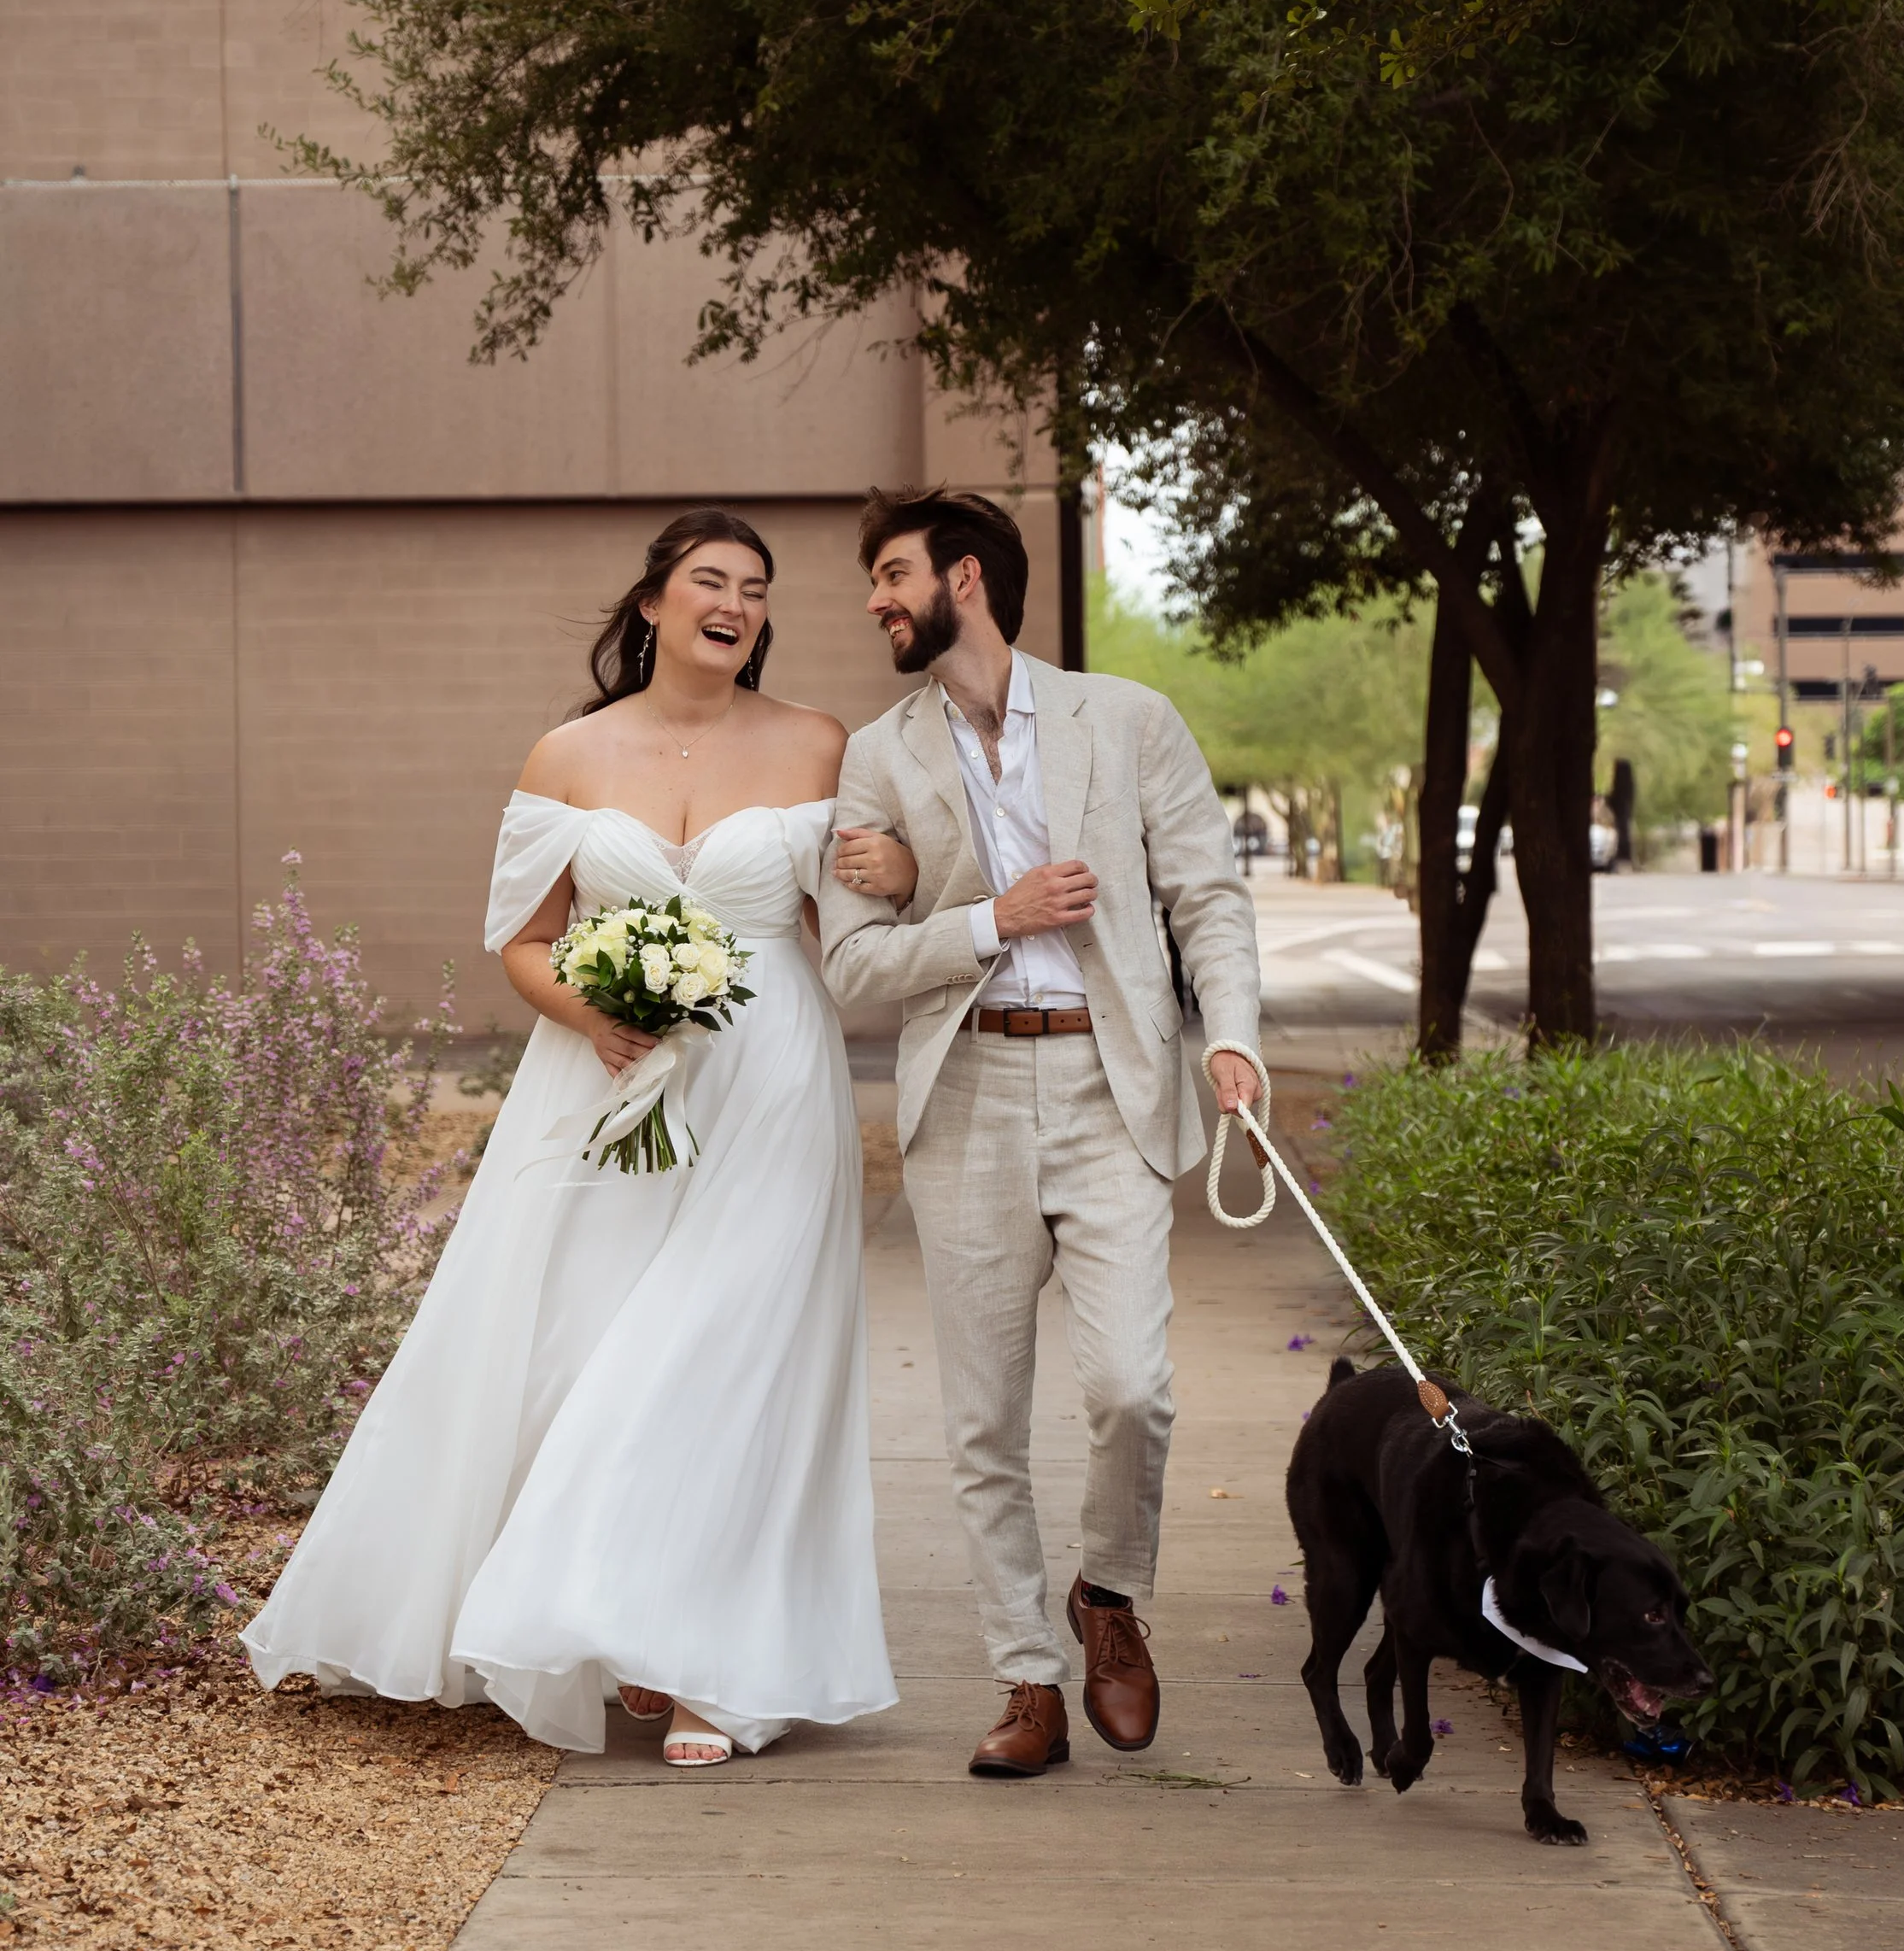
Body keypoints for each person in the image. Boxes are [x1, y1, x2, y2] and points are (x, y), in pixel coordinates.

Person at [244, 506, 913, 1766]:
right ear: (654, 602)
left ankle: (710, 1659)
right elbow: (521, 941)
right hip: (607, 1088)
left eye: (757, 588)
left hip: (769, 1084)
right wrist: (600, 1013)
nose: (736, 600)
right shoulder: (566, 754)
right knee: (594, 1352)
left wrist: (899, 873)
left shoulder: (821, 742)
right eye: (710, 579)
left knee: (732, 1352)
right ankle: (627, 1623)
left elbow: (855, 919)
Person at [817, 489, 1262, 1778]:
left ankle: (1108, 1598)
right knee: (983, 1423)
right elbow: (854, 971)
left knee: (1134, 1385)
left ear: (964, 577)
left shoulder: (1125, 720)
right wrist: (989, 918)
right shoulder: (876, 757)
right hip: (962, 1100)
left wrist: (1228, 1032)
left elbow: (1207, 894)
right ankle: (1027, 1673)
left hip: (1110, 1087)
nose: (874, 600)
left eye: (892, 575)